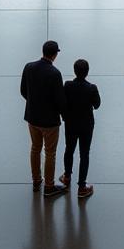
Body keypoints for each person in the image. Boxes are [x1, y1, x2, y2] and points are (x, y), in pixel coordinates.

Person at [20, 40, 68, 197]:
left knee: (35, 148)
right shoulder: (55, 74)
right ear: (55, 55)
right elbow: (60, 100)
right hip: (49, 122)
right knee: (50, 153)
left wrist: (33, 103)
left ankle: (36, 180)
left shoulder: (29, 67)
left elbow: (23, 91)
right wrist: (64, 115)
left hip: (32, 118)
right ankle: (49, 186)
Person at [60, 58, 101, 198]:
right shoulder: (91, 88)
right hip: (86, 125)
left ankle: (66, 176)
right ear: (87, 72)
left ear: (74, 71)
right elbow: (97, 105)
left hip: (71, 124)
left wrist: (65, 117)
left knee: (69, 149)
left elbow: (63, 103)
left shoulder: (67, 85)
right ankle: (82, 187)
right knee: (84, 154)